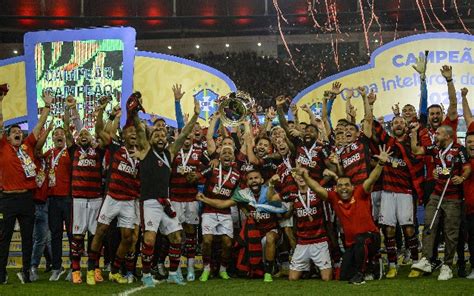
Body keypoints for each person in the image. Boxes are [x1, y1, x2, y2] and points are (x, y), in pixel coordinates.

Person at [292, 145, 392, 285]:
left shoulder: (360, 192)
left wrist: (381, 163)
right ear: (336, 188)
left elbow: (372, 179)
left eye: (346, 185)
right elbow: (317, 188)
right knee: (343, 276)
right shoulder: (334, 197)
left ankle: (363, 273)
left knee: (361, 240)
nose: (343, 188)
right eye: (340, 185)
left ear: (352, 187)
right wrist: (305, 176)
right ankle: (371, 266)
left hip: (370, 237)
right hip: (351, 244)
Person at [133, 86, 200, 287]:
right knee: (150, 240)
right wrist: (135, 112)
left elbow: (185, 133)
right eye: (157, 135)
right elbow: (138, 128)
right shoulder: (145, 151)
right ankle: (146, 274)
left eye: (163, 135)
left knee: (177, 238)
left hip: (166, 202)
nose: (161, 137)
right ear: (150, 139)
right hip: (150, 203)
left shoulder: (170, 153)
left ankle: (172, 273)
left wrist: (195, 116)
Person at [86, 97, 140, 285]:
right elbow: (100, 130)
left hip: (130, 201)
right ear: (123, 135)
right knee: (100, 231)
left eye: (135, 132)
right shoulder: (116, 148)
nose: (133, 134)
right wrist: (101, 110)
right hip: (112, 198)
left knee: (127, 238)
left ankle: (115, 270)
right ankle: (91, 269)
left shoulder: (143, 154)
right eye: (129, 132)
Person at [0, 89, 52, 284]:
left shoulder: (27, 146)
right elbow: (0, 124)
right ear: (7, 136)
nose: (17, 134)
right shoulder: (2, 146)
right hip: (7, 199)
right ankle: (1, 273)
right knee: (4, 238)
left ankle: (27, 272)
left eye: (19, 132)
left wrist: (47, 106)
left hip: (26, 199)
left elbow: (39, 125)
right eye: (13, 132)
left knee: (27, 238)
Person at [197, 170, 284, 282]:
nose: (254, 181)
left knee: (269, 237)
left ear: (262, 180)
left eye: (256, 178)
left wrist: (271, 185)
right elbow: (223, 204)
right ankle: (257, 269)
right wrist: (205, 199)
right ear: (247, 183)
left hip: (272, 230)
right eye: (250, 179)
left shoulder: (269, 191)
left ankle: (268, 273)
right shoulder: (243, 194)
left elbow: (278, 204)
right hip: (254, 233)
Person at [410, 123, 471, 280]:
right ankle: (426, 260)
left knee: (451, 233)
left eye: (438, 134)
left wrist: (462, 177)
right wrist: (414, 133)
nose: (435, 136)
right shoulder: (435, 149)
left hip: (453, 198)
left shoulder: (459, 150)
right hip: (437, 194)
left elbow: (467, 167)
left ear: (447, 136)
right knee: (429, 225)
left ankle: (448, 265)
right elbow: (416, 150)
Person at [197, 145, 241, 282]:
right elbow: (198, 177)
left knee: (227, 243)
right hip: (208, 212)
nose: (227, 155)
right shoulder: (212, 169)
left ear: (233, 157)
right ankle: (206, 268)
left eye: (230, 153)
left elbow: (237, 194)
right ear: (219, 157)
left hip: (225, 212)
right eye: (224, 153)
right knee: (207, 240)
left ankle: (223, 269)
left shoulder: (237, 175)